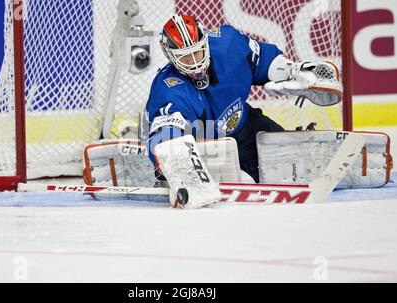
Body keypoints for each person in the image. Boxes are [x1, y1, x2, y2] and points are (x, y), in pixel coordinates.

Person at [142, 14, 341, 208]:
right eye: (185, 57)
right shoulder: (168, 88)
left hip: (246, 126)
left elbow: (262, 59)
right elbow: (165, 133)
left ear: (205, 41)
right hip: (209, 148)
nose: (195, 63)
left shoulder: (228, 45)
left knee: (291, 155)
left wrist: (291, 70)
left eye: (198, 52)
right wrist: (177, 163)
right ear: (170, 56)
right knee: (243, 181)